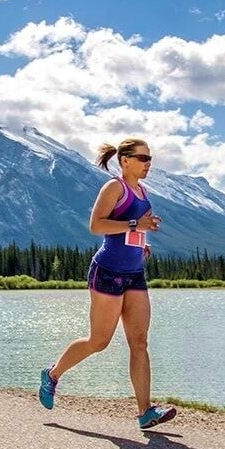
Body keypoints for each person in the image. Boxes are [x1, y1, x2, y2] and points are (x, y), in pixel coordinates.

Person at [38, 138, 177, 429]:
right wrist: (134, 226)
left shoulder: (143, 190)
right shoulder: (114, 187)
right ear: (125, 160)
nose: (148, 162)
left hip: (135, 272)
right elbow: (97, 225)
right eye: (142, 158)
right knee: (99, 341)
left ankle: (145, 412)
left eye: (150, 158)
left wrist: (141, 242)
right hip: (108, 271)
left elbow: (130, 229)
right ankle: (52, 375)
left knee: (139, 341)